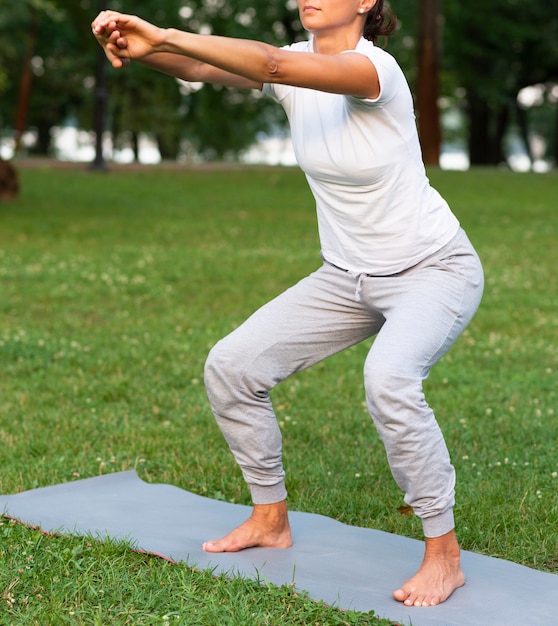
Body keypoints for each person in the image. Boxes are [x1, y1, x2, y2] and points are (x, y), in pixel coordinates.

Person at [92, 0, 484, 608]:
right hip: (347, 277)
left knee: (390, 381)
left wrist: (167, 31)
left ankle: (444, 554)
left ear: (367, 3)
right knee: (233, 366)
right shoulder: (294, 66)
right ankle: (270, 518)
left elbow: (270, 64)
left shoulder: (374, 72)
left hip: (433, 270)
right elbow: (202, 71)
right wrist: (153, 53)